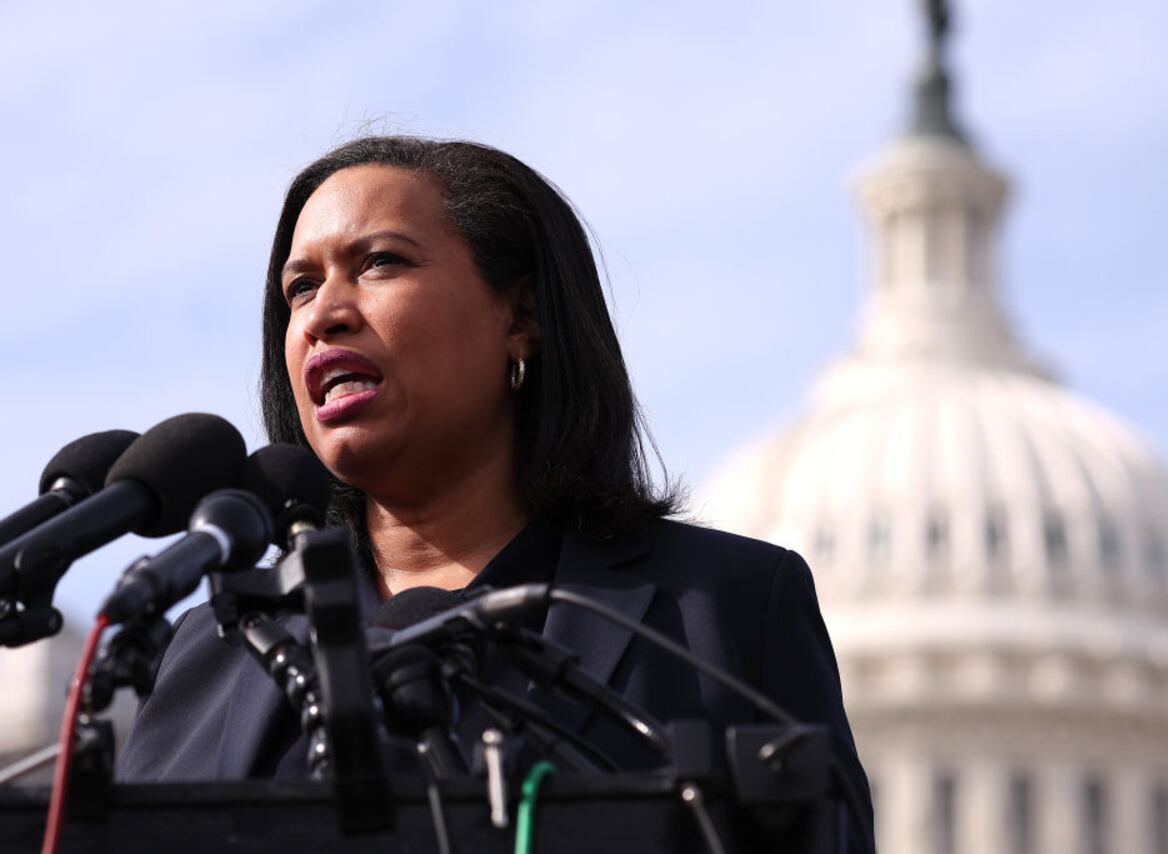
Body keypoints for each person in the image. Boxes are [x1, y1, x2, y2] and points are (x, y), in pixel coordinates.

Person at [117, 136, 875, 849]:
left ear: (521, 317)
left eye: (379, 263)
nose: (323, 314)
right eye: (301, 287)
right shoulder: (217, 648)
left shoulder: (725, 608)